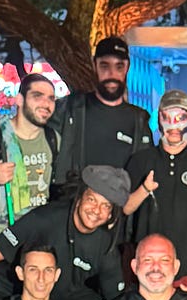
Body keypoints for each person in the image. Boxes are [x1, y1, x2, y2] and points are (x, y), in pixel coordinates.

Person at [0, 167, 129, 300]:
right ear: (80, 197)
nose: (96, 210)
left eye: (105, 206)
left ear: (110, 215)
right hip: (13, 291)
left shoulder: (105, 245)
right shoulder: (44, 219)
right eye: (92, 200)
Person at [124, 91, 187, 287]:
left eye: (181, 117)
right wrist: (144, 189)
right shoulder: (141, 160)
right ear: (159, 120)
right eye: (167, 117)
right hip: (149, 267)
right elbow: (126, 208)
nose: (174, 125)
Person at [0, 72, 60, 247]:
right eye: (37, 96)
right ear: (19, 100)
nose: (46, 103)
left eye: (51, 98)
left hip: (37, 243)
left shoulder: (53, 138)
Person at [51, 37, 153, 194]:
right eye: (105, 66)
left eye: (119, 66)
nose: (111, 74)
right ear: (94, 65)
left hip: (120, 214)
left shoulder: (139, 120)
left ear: (127, 68)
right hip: (74, 210)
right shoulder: (70, 109)